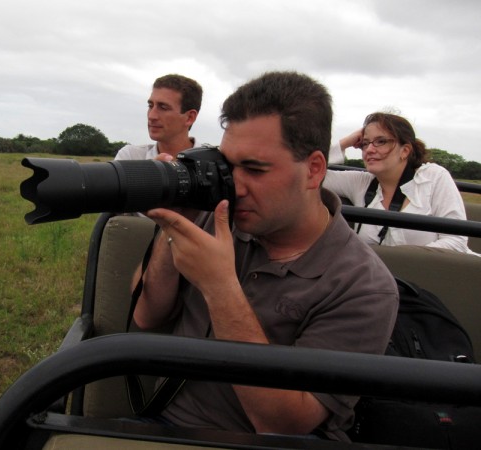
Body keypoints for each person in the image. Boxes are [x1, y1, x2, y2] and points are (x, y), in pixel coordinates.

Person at [131, 71, 399, 441]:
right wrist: (175, 223)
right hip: (161, 426)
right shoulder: (215, 216)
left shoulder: (362, 286)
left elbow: (283, 425)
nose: (234, 186)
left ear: (314, 169)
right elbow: (146, 316)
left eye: (255, 169)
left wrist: (220, 288)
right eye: (227, 166)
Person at [325, 113, 475, 253]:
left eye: (381, 141)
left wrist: (397, 260)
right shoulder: (360, 183)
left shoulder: (433, 177)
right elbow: (306, 172)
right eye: (365, 143)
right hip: (385, 279)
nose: (369, 149)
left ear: (405, 151)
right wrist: (345, 142)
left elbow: (456, 241)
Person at [115, 74, 203, 161]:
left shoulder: (213, 161)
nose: (151, 116)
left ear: (189, 117)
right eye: (150, 106)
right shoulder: (130, 157)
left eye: (163, 108)